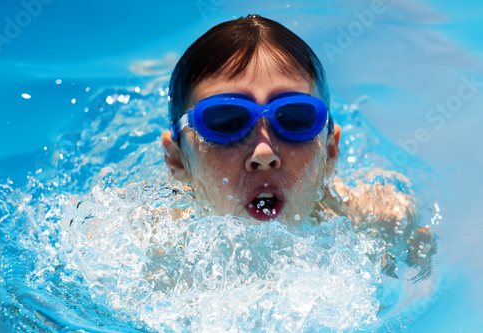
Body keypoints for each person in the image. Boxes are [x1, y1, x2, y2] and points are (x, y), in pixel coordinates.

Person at [160, 14, 435, 268]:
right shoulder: (150, 244)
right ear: (177, 159)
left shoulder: (383, 223)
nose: (264, 152)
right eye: (225, 122)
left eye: (294, 119)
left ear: (330, 151)